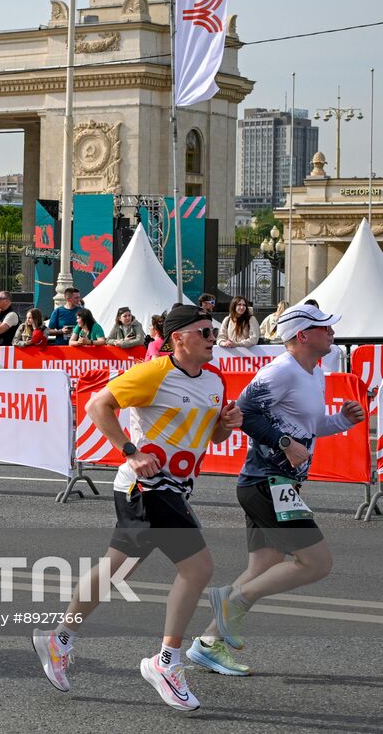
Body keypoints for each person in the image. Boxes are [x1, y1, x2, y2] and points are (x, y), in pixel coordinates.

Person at [32, 304, 241, 712]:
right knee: (198, 569)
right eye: (203, 332)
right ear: (178, 338)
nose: (212, 338)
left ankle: (58, 640)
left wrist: (225, 424)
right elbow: (97, 405)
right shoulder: (154, 372)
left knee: (116, 569)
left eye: (212, 331)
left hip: (173, 488)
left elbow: (212, 438)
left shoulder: (215, 381)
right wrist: (131, 451)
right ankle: (166, 662)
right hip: (146, 486)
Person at [187, 303, 365, 677]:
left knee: (264, 565)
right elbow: (244, 413)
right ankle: (231, 601)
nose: (332, 334)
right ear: (302, 335)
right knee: (316, 563)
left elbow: (311, 429)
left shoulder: (314, 373)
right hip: (268, 482)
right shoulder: (280, 371)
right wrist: (284, 441)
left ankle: (207, 644)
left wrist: (341, 420)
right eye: (325, 329)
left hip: (275, 482)